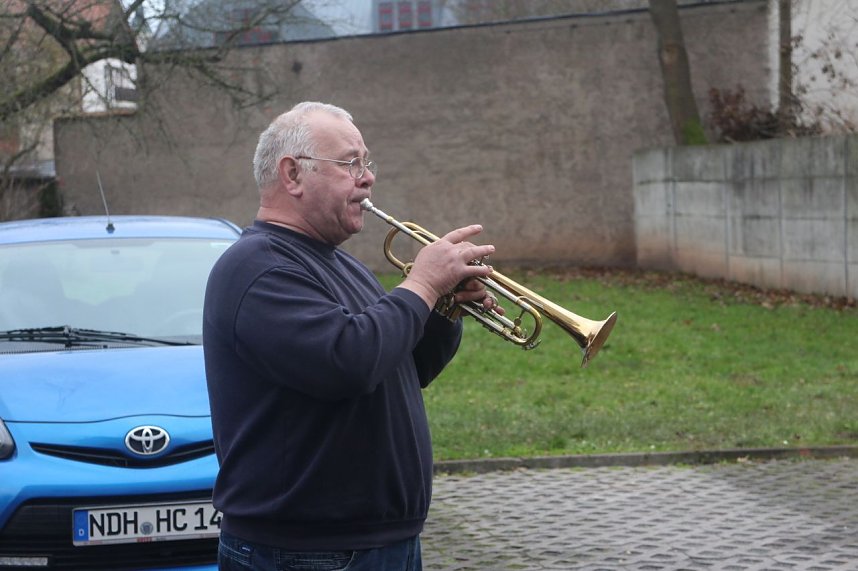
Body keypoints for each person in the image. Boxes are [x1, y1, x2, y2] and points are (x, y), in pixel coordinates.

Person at [203, 101, 499, 571]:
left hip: (374, 543)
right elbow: (347, 363)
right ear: (293, 175)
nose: (367, 177)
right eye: (350, 163)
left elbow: (404, 366)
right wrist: (421, 283)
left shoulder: (339, 263)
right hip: (307, 552)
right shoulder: (256, 267)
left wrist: (443, 308)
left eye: (367, 162)